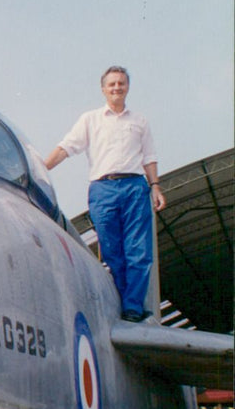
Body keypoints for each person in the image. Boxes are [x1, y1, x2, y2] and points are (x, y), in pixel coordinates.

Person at [43, 66, 166, 321]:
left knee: (139, 251)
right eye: (111, 84)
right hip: (103, 189)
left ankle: (132, 307)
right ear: (103, 89)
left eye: (121, 83)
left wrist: (155, 186)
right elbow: (67, 147)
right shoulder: (90, 119)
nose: (116, 88)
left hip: (134, 187)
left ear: (127, 87)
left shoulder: (139, 121)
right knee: (111, 250)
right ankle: (122, 302)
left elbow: (149, 157)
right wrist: (41, 169)